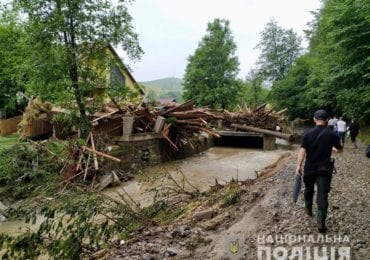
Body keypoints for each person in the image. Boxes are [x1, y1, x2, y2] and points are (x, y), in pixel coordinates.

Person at [295, 109, 343, 233]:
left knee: (309, 189)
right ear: (327, 120)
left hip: (310, 168)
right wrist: (333, 149)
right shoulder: (332, 134)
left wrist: (298, 166)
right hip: (325, 170)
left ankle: (308, 209)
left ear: (314, 119)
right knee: (322, 194)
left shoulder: (307, 133)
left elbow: (302, 151)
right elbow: (340, 150)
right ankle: (321, 224)